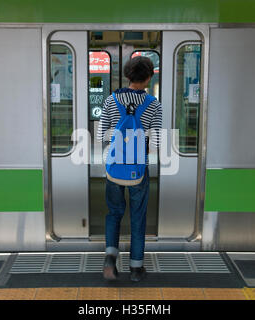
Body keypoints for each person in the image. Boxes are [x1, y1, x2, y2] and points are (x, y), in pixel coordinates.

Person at [97, 56, 162, 282]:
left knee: (114, 213)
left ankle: (109, 259)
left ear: (127, 75)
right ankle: (136, 269)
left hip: (114, 169)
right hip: (138, 171)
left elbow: (101, 136)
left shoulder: (111, 100)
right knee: (138, 217)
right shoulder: (153, 104)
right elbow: (155, 144)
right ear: (149, 77)